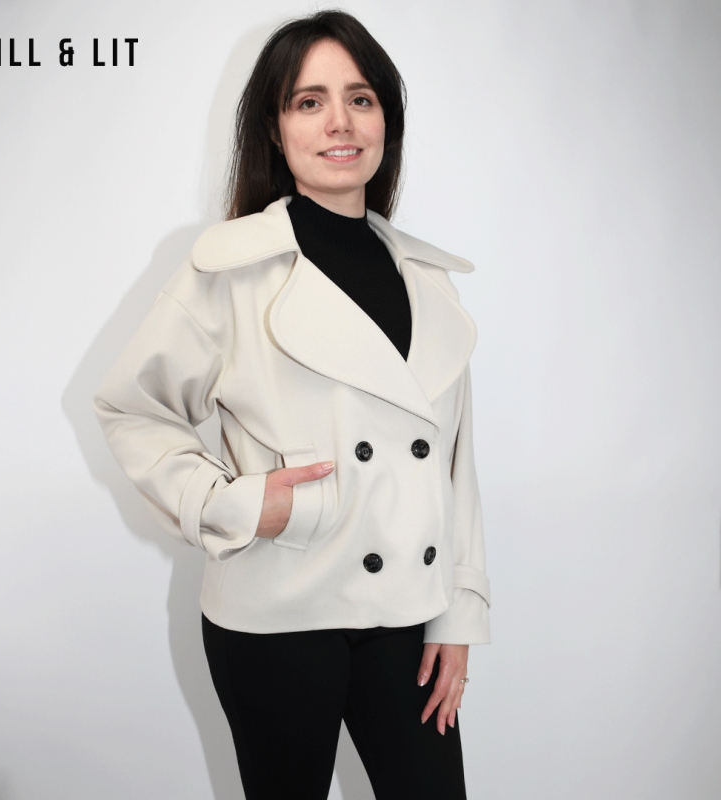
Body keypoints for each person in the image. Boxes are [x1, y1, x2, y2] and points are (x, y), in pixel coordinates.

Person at [94, 10, 490, 800]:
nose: (340, 122)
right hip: (277, 611)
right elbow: (131, 409)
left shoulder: (430, 282)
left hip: (406, 612)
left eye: (361, 99)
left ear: (386, 121)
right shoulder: (229, 269)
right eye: (310, 102)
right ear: (275, 130)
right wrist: (237, 505)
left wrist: (459, 612)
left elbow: (455, 464)